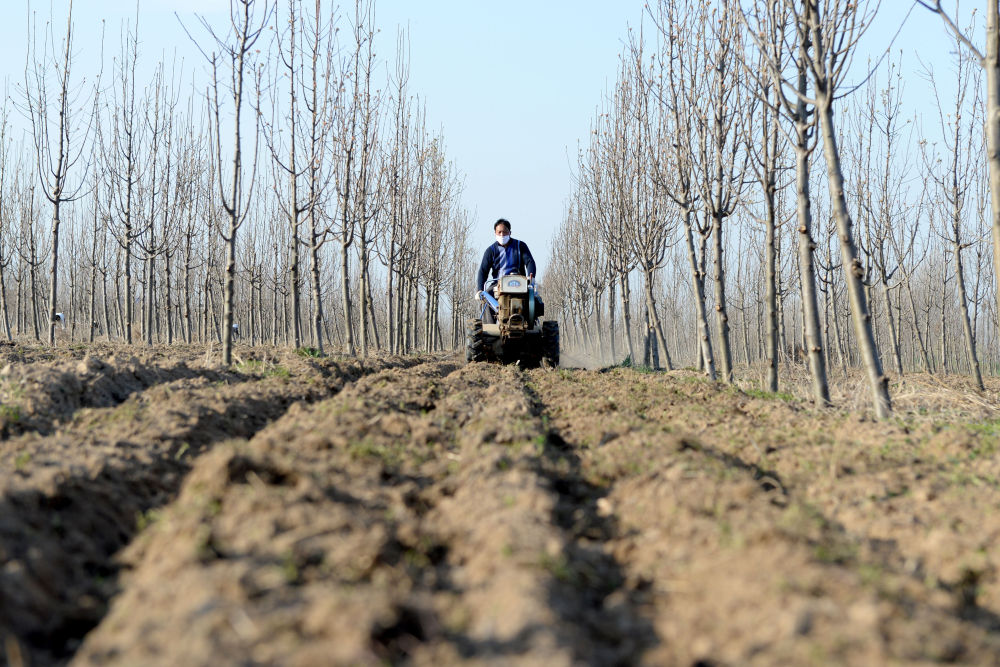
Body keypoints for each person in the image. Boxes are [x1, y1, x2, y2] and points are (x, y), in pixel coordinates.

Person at [475, 218, 537, 324]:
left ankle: (532, 323)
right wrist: (480, 289)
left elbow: (530, 262)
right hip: (498, 283)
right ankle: (490, 329)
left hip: (519, 282)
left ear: (510, 232)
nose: (502, 235)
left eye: (504, 232)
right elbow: (483, 271)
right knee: (487, 297)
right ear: (495, 233)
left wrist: (530, 277)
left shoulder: (520, 246)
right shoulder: (491, 251)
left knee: (534, 299)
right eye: (499, 232)